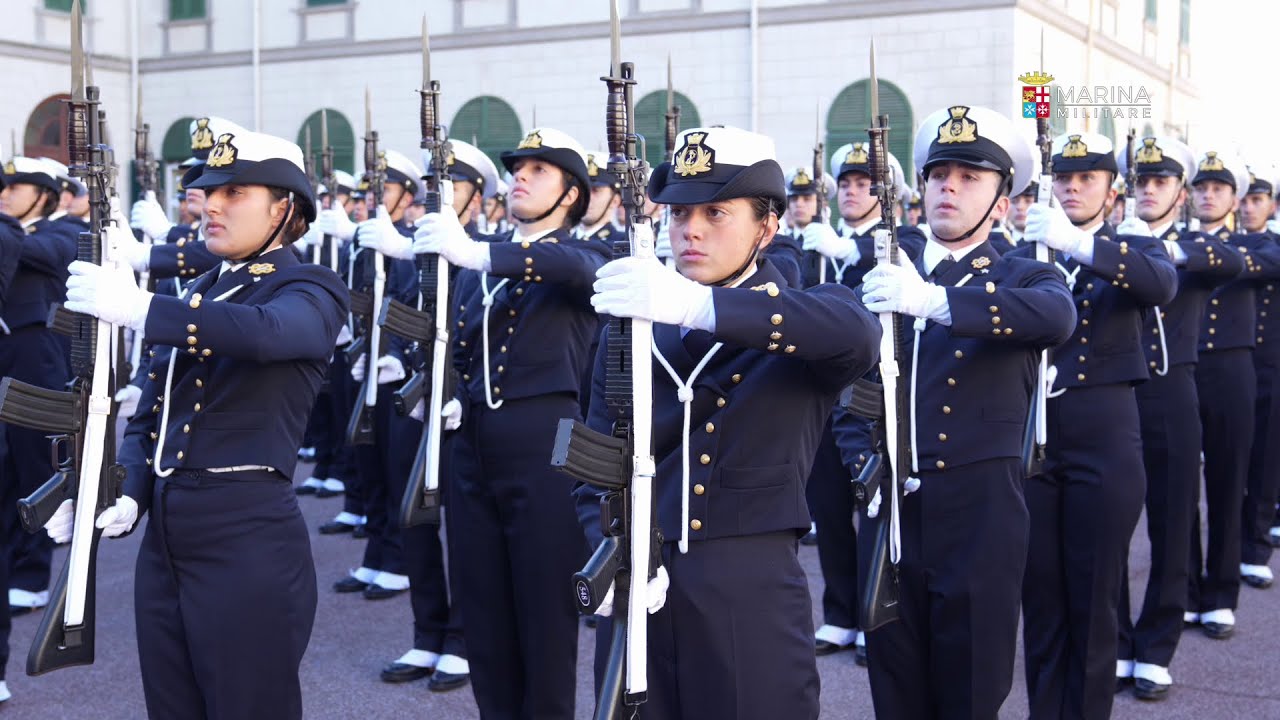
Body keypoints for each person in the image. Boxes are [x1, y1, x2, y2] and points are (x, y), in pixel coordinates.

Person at [579, 125, 880, 720]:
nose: (691, 228)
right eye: (681, 212)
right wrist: (604, 550)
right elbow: (585, 448)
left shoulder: (798, 316)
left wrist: (695, 306)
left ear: (767, 227)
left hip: (750, 588)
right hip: (640, 571)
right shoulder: (632, 322)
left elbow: (857, 334)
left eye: (717, 212)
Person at [45, 129, 348, 720]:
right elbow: (151, 415)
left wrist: (142, 308)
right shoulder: (204, 288)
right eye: (209, 191)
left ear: (285, 207)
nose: (210, 204)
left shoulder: (312, 287)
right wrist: (123, 488)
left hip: (247, 532)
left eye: (234, 191)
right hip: (166, 535)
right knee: (172, 707)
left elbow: (267, 334)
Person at [844, 105, 1075, 719]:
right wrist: (861, 463)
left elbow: (1057, 317)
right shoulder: (882, 273)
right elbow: (847, 387)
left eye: (970, 177)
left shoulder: (1023, 275)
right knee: (895, 690)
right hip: (891, 506)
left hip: (980, 513)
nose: (949, 185)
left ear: (1002, 203)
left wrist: (935, 300)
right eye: (938, 173)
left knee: (970, 690)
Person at [412, 127, 606, 719]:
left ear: (571, 194)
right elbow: (456, 339)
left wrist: (475, 251)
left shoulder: (582, 254)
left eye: (538, 171)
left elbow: (574, 268)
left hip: (546, 445)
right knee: (485, 608)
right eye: (519, 168)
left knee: (545, 616)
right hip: (473, 442)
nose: (520, 176)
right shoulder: (480, 265)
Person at [1012, 131, 1178, 720]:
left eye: (1088, 179)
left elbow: (1161, 286)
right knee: (1042, 597)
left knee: (1093, 597)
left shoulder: (1128, 245)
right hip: (1036, 438)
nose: (1073, 187)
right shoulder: (1028, 249)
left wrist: (1079, 244)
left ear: (1113, 191)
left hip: (1103, 436)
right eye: (1064, 177)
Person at [1115, 135, 1244, 701]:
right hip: (1115, 397)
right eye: (1141, 181)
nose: (1148, 189)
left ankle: (1159, 641)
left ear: (1182, 193)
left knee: (1172, 521)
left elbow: (1232, 259)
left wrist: (1167, 253)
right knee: (1107, 526)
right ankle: (1115, 638)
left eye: (1161, 181)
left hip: (1172, 392)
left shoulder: (1195, 246)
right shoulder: (1106, 242)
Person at [1184, 147, 1280, 641]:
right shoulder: (1172, 241)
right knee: (1177, 492)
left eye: (1219, 189)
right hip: (1181, 370)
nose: (1209, 195)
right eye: (1201, 187)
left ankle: (1221, 592)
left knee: (1227, 481)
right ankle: (1186, 589)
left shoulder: (1259, 247)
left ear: (1235, 196)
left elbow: (1246, 265)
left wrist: (1187, 251)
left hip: (1233, 371)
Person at [0, 156, 78, 618]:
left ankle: (34, 574)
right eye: (5, 185)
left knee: (34, 466)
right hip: (8, 356)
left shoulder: (64, 231)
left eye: (18, 186)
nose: (6, 192)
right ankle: (14, 566)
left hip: (38, 362)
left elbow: (41, 255)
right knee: (5, 470)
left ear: (45, 194)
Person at [1238, 161, 1280, 591]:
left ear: (1271, 205)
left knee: (1265, 460)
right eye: (1245, 200)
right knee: (1229, 464)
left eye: (1257, 200)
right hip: (1227, 370)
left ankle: (1255, 546)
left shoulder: (1273, 247)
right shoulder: (1218, 244)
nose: (1250, 208)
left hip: (1269, 367)